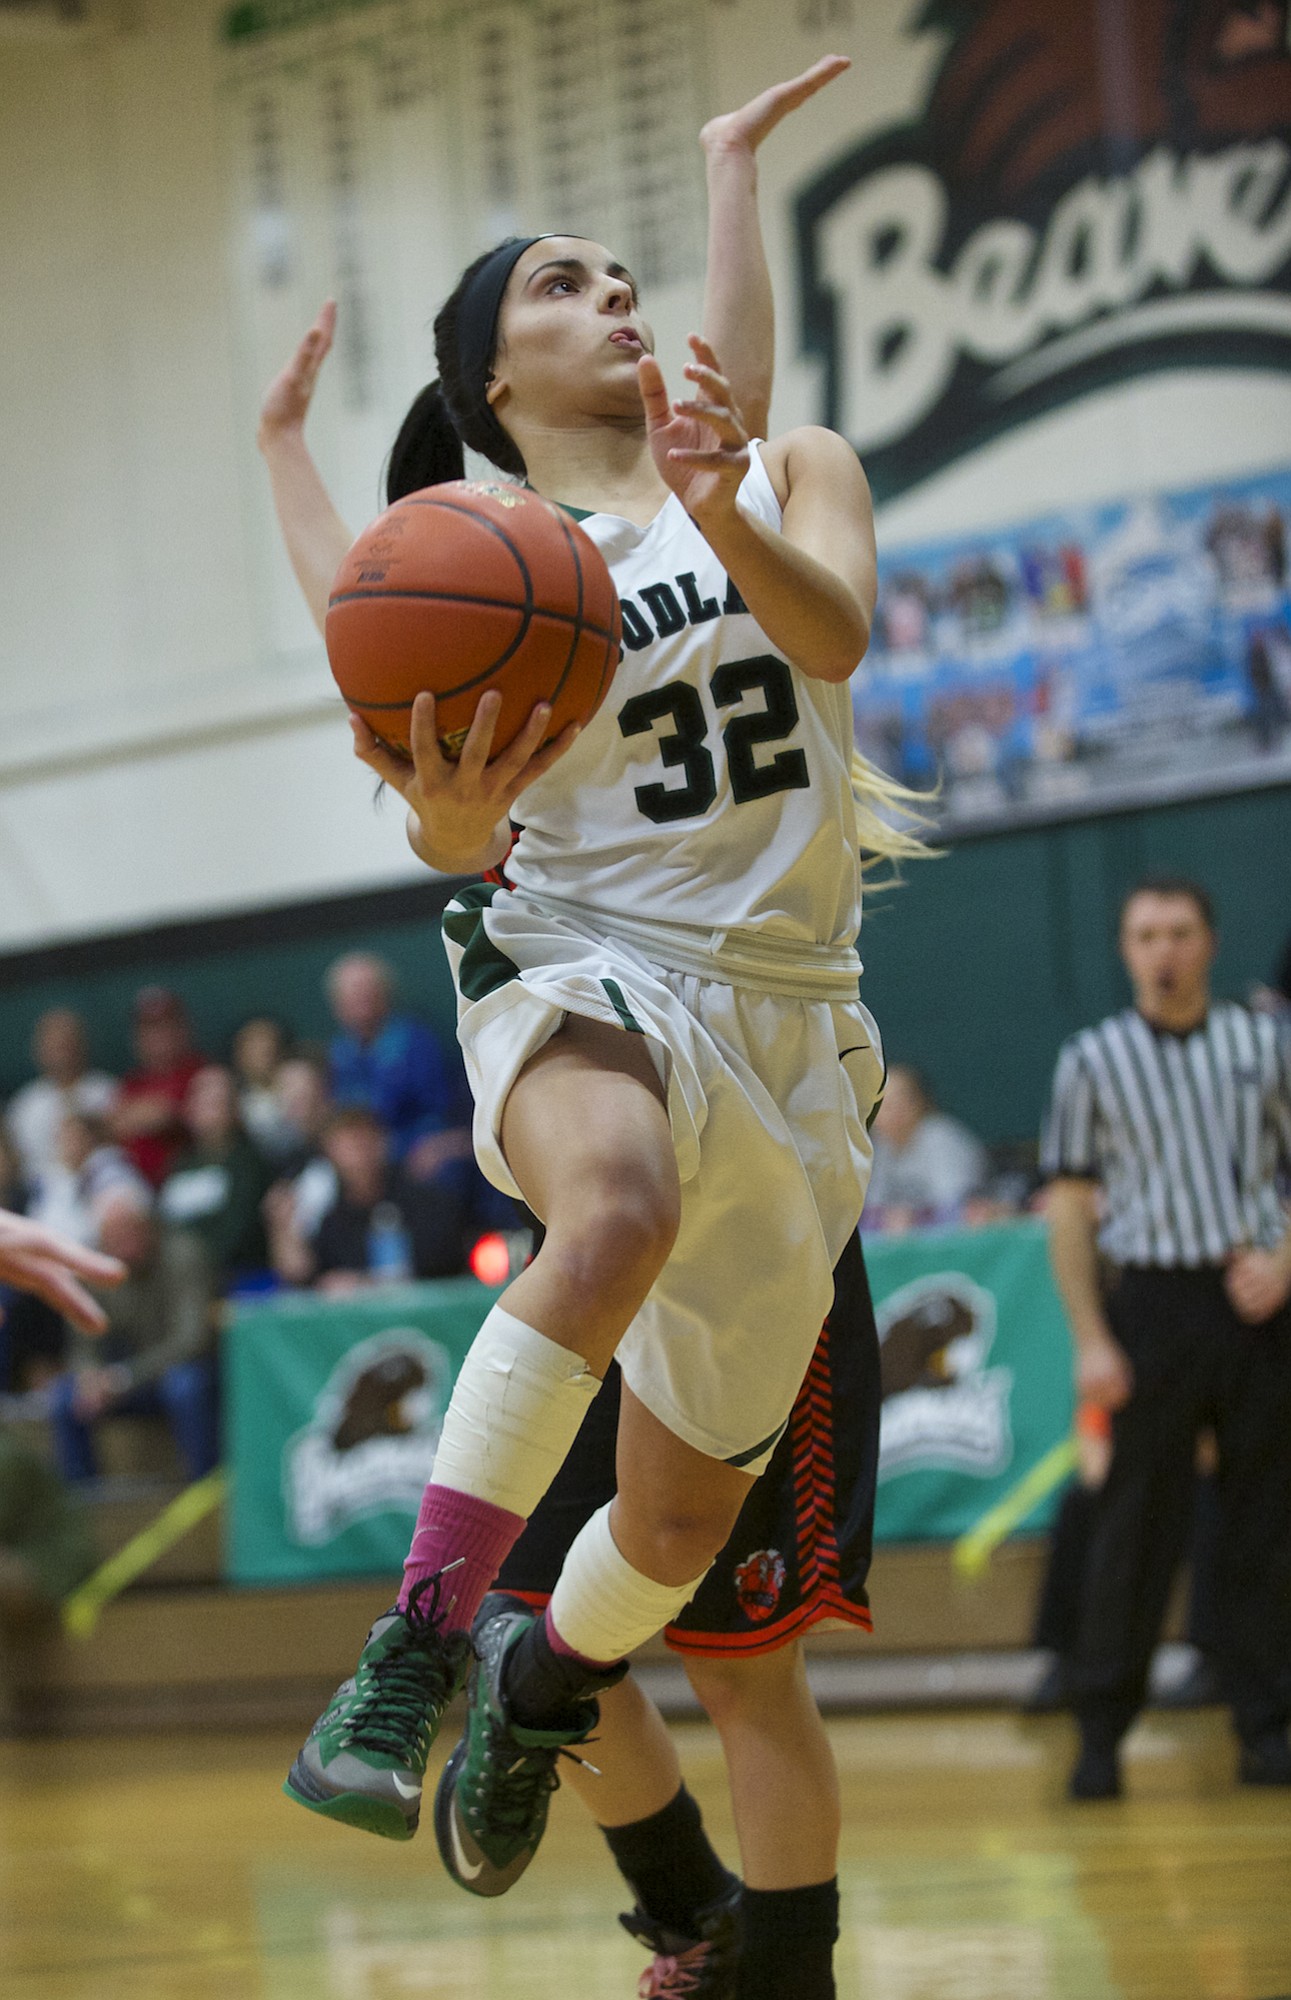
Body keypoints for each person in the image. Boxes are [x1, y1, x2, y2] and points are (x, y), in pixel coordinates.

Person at [258, 58, 926, 2000]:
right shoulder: (477, 549)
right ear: (487, 384)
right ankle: (415, 1646)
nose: (612, 297)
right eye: (563, 282)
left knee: (669, 1518)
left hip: (796, 1034)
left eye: (628, 273)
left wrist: (731, 186)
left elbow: (834, 638)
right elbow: (376, 683)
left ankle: (543, 1675)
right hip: (576, 965)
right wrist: (441, 827)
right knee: (609, 1203)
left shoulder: (787, 474)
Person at [1042, 875, 1291, 1799]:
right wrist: (1089, 1337)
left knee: (1264, 1524)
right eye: (1145, 934)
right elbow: (1067, 1209)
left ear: (1209, 944)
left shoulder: (1265, 1045)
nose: (1163, 951)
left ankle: (1264, 1724)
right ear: (1124, 950)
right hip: (1147, 1305)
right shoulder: (1090, 1060)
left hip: (1251, 1298)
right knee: (1133, 1527)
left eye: (1179, 932)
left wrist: (1285, 1261)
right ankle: (1100, 1731)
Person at [48, 1187, 220, 1483]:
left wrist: (124, 1377)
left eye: (130, 1230)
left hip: (181, 1373)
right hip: (126, 1380)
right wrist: (89, 1377)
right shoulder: (97, 1264)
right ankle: (85, 1505)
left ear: (148, 1226)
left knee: (184, 1386)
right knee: (65, 1398)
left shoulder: (183, 1255)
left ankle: (204, 1488)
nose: (123, 1242)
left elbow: (193, 1340)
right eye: (113, 1234)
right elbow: (82, 1338)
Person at [325, 953, 474, 1182]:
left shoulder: (416, 1041)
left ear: (385, 994)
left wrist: (396, 1147)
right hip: (364, 1154)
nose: (361, 998)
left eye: (367, 989)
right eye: (352, 992)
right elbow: (346, 1114)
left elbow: (439, 1111)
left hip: (416, 1146)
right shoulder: (340, 1052)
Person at [305, 1105, 469, 1290]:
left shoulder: (427, 1201)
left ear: (381, 1143)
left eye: (363, 1142)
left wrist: (366, 1283)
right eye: (347, 1146)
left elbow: (444, 1263)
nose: (358, 1154)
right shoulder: (333, 1219)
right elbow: (319, 1278)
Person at [159, 1065, 272, 1290]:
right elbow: (163, 1221)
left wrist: (197, 1263)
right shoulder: (180, 1164)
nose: (206, 1110)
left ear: (234, 1109)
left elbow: (240, 1233)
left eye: (216, 1103)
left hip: (235, 1277)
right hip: (177, 1275)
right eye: (200, 1101)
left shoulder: (250, 1163)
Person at [864, 1062, 988, 1230]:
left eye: (900, 1100)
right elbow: (871, 1210)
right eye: (883, 1103)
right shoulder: (878, 1146)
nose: (893, 1111)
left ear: (920, 1102)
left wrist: (914, 1218)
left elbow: (959, 1208)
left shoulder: (941, 1137)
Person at [5, 1009, 117, 1188]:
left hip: (99, 1185)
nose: (61, 1054)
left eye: (66, 1044)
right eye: (53, 1046)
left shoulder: (107, 1090)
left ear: (82, 1045)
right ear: (39, 1050)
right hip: (40, 1193)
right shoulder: (25, 1104)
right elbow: (14, 1166)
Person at [110, 987, 206, 1188]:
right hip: (139, 1187)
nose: (159, 1036)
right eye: (150, 1028)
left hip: (190, 1181)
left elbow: (175, 1119)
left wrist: (166, 1114)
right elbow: (114, 1126)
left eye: (166, 1026)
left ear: (183, 1028)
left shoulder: (201, 1072)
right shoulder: (131, 1084)